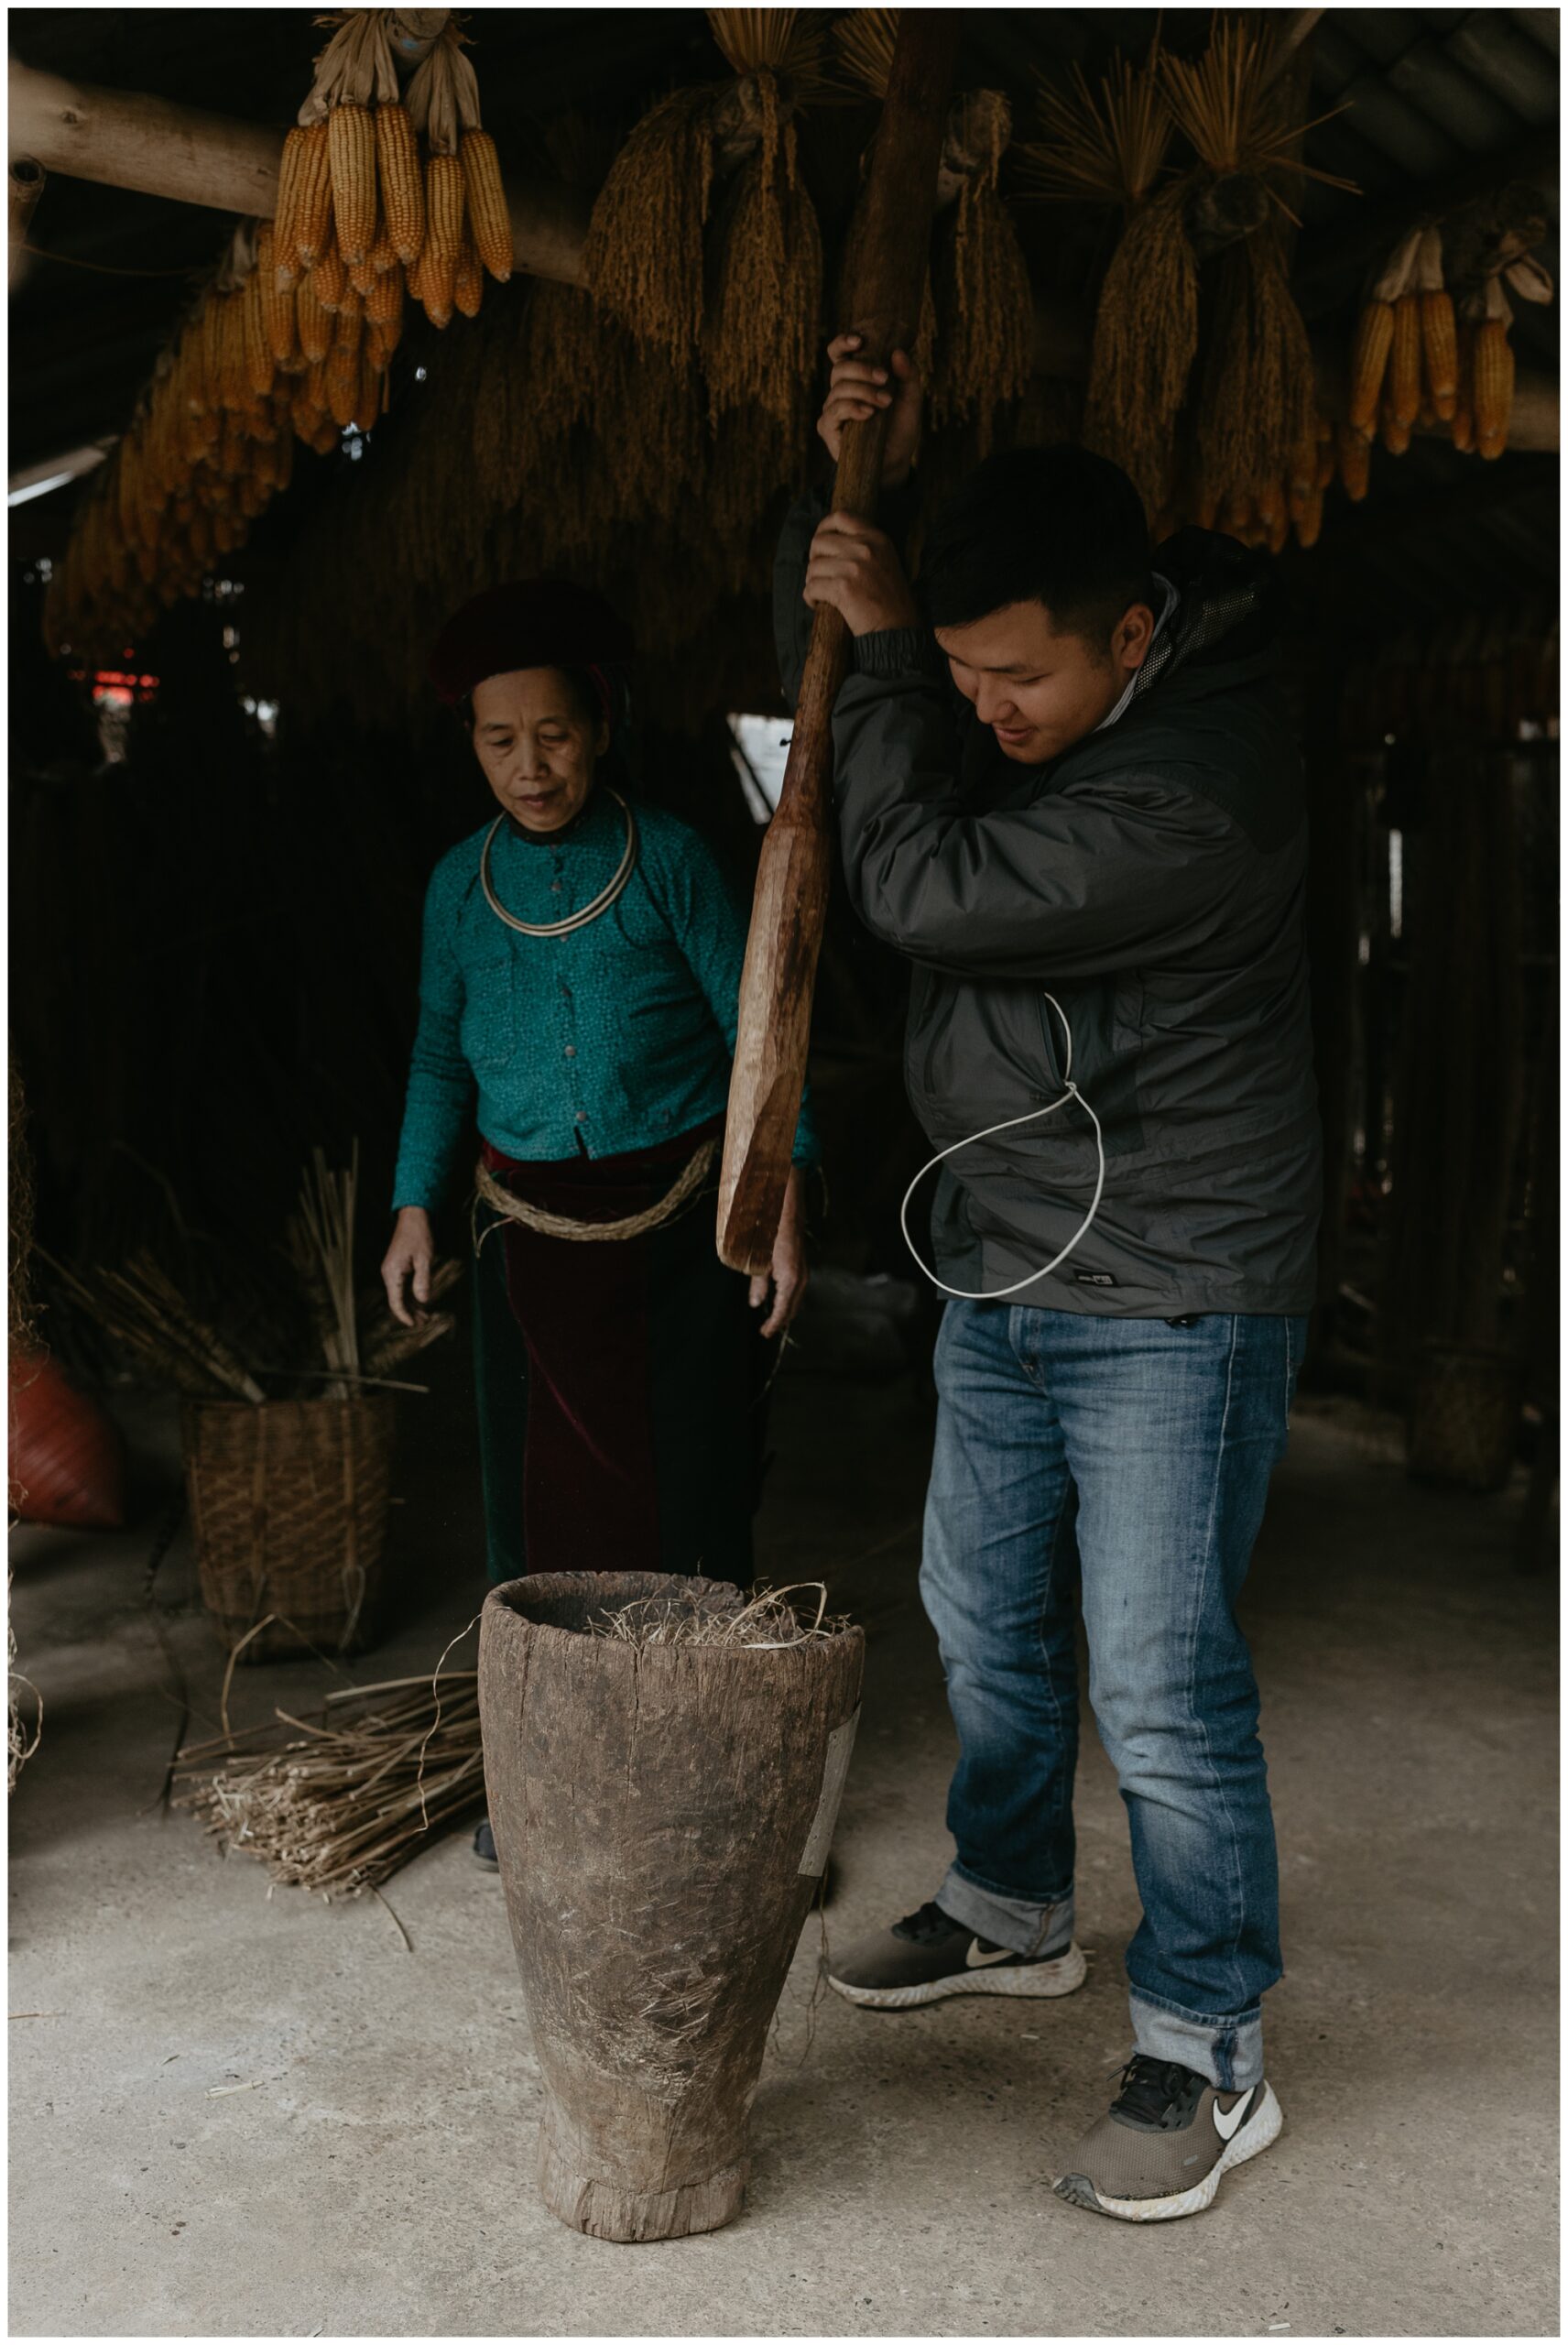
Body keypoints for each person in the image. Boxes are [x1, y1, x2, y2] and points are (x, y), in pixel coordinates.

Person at [775, 337, 1319, 2221]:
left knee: (1159, 1682)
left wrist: (900, 663)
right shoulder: (1049, 711)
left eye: (1018, 674)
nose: (987, 702)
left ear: (1135, 628)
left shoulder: (1204, 779)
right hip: (1013, 1255)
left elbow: (919, 886)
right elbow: (920, 745)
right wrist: (850, 483)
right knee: (984, 1619)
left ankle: (1207, 2042)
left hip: (1169, 1283)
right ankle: (1011, 1904)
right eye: (964, 673)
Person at [383, 581, 815, 1859]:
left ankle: (704, 1787)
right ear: (470, 743)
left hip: (681, 1232)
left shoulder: (671, 860)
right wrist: (414, 1201)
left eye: (556, 733)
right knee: (539, 1520)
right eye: (499, 739)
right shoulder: (457, 891)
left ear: (604, 723)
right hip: (526, 1238)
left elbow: (761, 1036)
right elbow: (436, 1061)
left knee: (689, 1504)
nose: (531, 766)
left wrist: (780, 1202)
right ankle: (551, 1785)